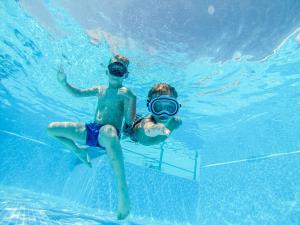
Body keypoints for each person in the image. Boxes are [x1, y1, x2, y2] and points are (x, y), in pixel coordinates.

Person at [47, 55, 136, 220]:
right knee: (52, 129)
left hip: (108, 135)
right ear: (107, 71)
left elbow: (130, 122)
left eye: (120, 70)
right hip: (92, 129)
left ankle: (123, 190)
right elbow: (77, 93)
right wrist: (63, 82)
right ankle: (79, 151)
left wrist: (132, 98)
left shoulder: (125, 94)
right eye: (113, 68)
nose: (116, 73)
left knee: (109, 131)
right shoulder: (100, 89)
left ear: (126, 74)